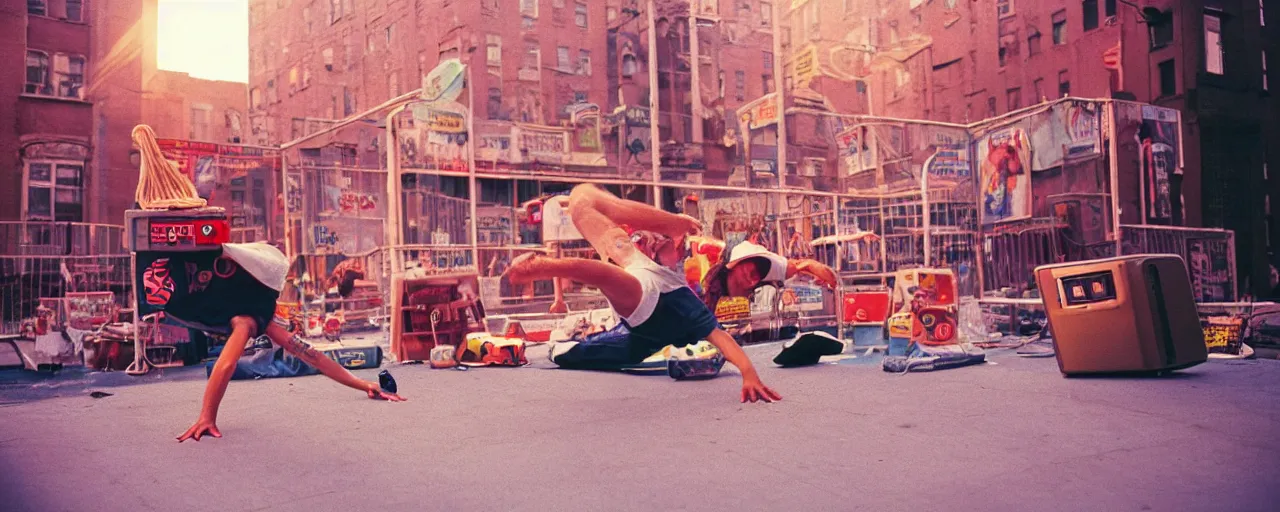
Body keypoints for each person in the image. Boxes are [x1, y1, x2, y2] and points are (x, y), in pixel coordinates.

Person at [503, 184, 781, 403]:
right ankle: (651, 220)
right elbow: (723, 337)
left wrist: (749, 373)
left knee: (601, 281)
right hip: (640, 271)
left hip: (648, 305)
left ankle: (539, 268)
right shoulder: (699, 269)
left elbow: (723, 339)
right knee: (581, 197)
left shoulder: (695, 309)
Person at [176, 244, 404, 443]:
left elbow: (312, 356)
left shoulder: (252, 313)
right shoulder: (252, 317)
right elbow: (227, 365)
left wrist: (365, 384)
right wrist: (207, 416)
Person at [698, 239, 839, 313]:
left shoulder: (767, 289)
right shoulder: (710, 293)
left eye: (759, 275)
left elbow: (805, 264)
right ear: (735, 265)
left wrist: (833, 286)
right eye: (751, 272)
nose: (753, 280)